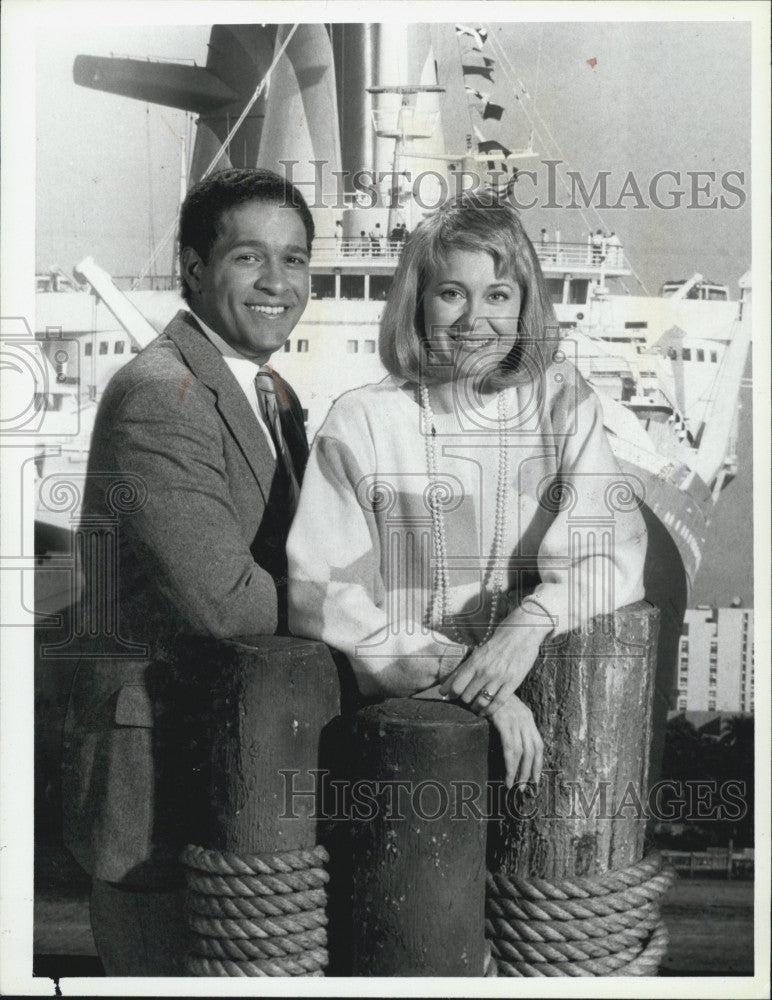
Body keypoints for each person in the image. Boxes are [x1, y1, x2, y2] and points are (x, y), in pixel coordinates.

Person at [288, 192, 646, 789]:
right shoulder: (360, 422)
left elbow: (613, 551)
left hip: (553, 723)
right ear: (418, 303)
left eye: (498, 296)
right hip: (402, 732)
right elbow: (319, 597)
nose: (475, 321)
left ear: (525, 307)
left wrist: (530, 623)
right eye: (452, 293)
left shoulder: (560, 401)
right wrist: (476, 685)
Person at [62, 167, 314, 975]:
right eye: (249, 258)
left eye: (297, 259)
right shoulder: (160, 394)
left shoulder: (274, 396)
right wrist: (369, 615)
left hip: (240, 778)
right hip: (161, 789)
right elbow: (226, 604)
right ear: (195, 268)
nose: (279, 283)